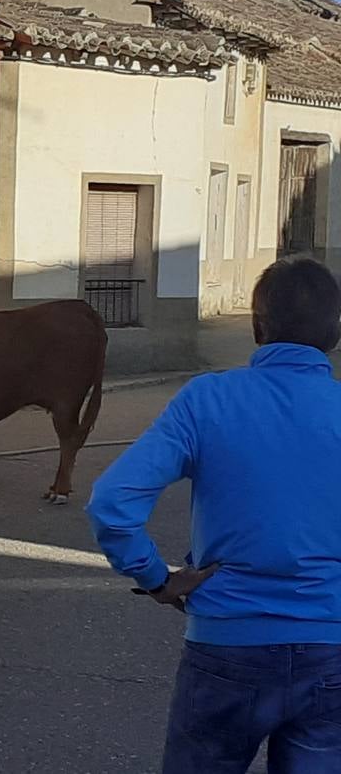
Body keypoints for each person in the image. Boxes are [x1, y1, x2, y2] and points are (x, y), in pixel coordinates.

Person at [86, 256, 341, 774]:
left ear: (256, 326)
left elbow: (112, 503)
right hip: (330, 651)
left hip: (226, 646)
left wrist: (157, 579)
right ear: (336, 332)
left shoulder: (207, 400)